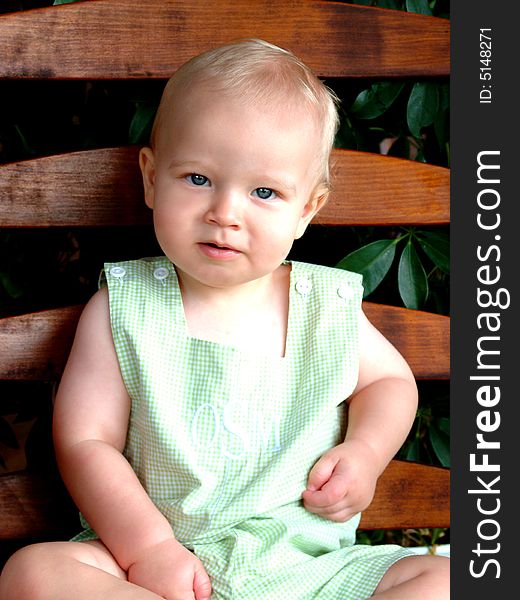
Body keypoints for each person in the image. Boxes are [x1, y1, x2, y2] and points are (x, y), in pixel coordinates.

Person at [0, 39, 449, 600]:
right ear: (150, 177)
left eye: (264, 192)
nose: (225, 213)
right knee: (35, 575)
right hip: (157, 564)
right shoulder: (126, 306)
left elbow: (390, 382)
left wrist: (365, 452)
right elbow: (86, 440)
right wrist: (149, 549)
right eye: (197, 179)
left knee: (445, 580)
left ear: (306, 209)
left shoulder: (324, 307)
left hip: (305, 570)